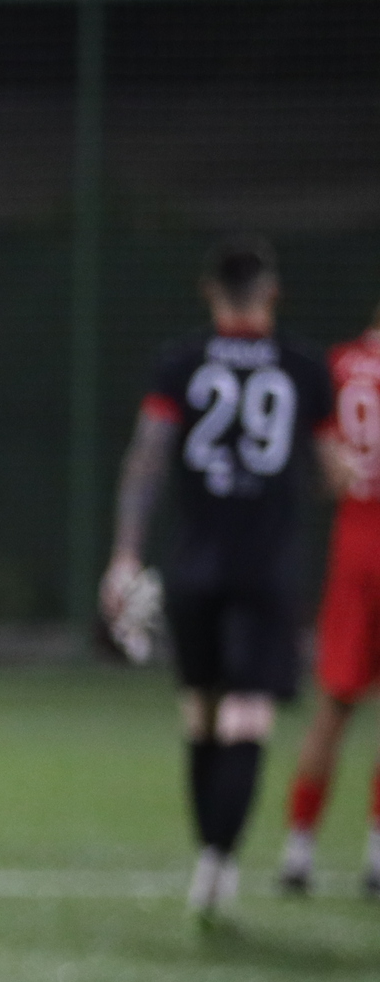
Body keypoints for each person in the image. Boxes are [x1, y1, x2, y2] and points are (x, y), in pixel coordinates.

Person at [100, 239, 340, 919]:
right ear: (272, 294)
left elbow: (146, 460)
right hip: (267, 567)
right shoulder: (304, 367)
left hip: (196, 564)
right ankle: (219, 860)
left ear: (210, 292)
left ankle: (207, 854)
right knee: (247, 716)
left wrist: (125, 554)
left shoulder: (180, 363)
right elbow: (330, 470)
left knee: (201, 713)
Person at [276, 302, 380, 896]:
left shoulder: (338, 364)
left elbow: (319, 462)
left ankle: (298, 854)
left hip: (353, 545)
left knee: (333, 706)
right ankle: (376, 858)